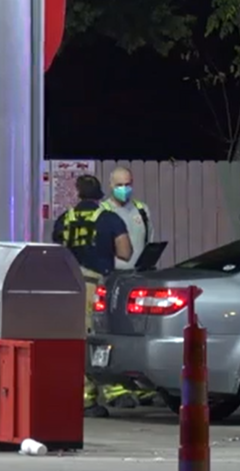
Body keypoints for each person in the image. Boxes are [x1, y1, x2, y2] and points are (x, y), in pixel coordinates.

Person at [51, 174, 132, 418]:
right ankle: (97, 396)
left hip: (66, 286)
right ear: (100, 195)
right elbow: (125, 253)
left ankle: (75, 392)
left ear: (77, 194)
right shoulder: (108, 219)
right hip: (93, 285)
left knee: (71, 340)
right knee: (96, 339)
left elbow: (57, 248)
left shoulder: (65, 219)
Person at [99, 166, 157, 408]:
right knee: (110, 332)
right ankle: (115, 388)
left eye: (128, 183)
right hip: (112, 277)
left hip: (138, 276)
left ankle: (141, 386)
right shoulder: (103, 212)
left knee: (138, 331)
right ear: (111, 185)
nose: (125, 189)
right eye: (120, 184)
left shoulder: (141, 210)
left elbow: (149, 239)